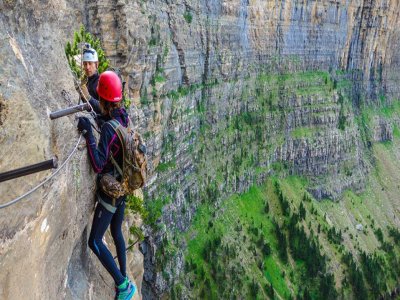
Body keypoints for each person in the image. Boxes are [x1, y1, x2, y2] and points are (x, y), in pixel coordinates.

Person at [77, 71, 136, 300]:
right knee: (116, 232)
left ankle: (123, 286)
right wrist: (95, 111)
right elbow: (109, 124)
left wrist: (88, 132)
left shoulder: (110, 128)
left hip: (111, 192)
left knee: (94, 241)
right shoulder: (123, 117)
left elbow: (99, 163)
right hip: (124, 187)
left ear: (102, 98)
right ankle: (123, 275)